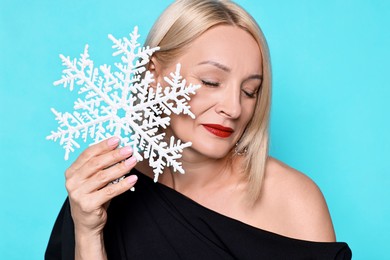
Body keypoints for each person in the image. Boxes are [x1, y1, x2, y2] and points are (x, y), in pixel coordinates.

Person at [45, 0, 352, 259]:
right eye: (210, 82)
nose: (233, 108)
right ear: (153, 75)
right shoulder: (103, 193)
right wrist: (87, 232)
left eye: (250, 91)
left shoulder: (292, 200)